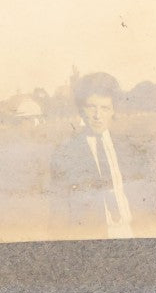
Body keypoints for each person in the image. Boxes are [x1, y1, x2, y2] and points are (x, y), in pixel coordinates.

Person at [48, 90, 139, 239]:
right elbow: (59, 209)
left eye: (105, 108)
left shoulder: (127, 146)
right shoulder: (66, 152)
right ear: (81, 110)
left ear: (113, 111)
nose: (98, 116)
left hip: (130, 232)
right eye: (91, 107)